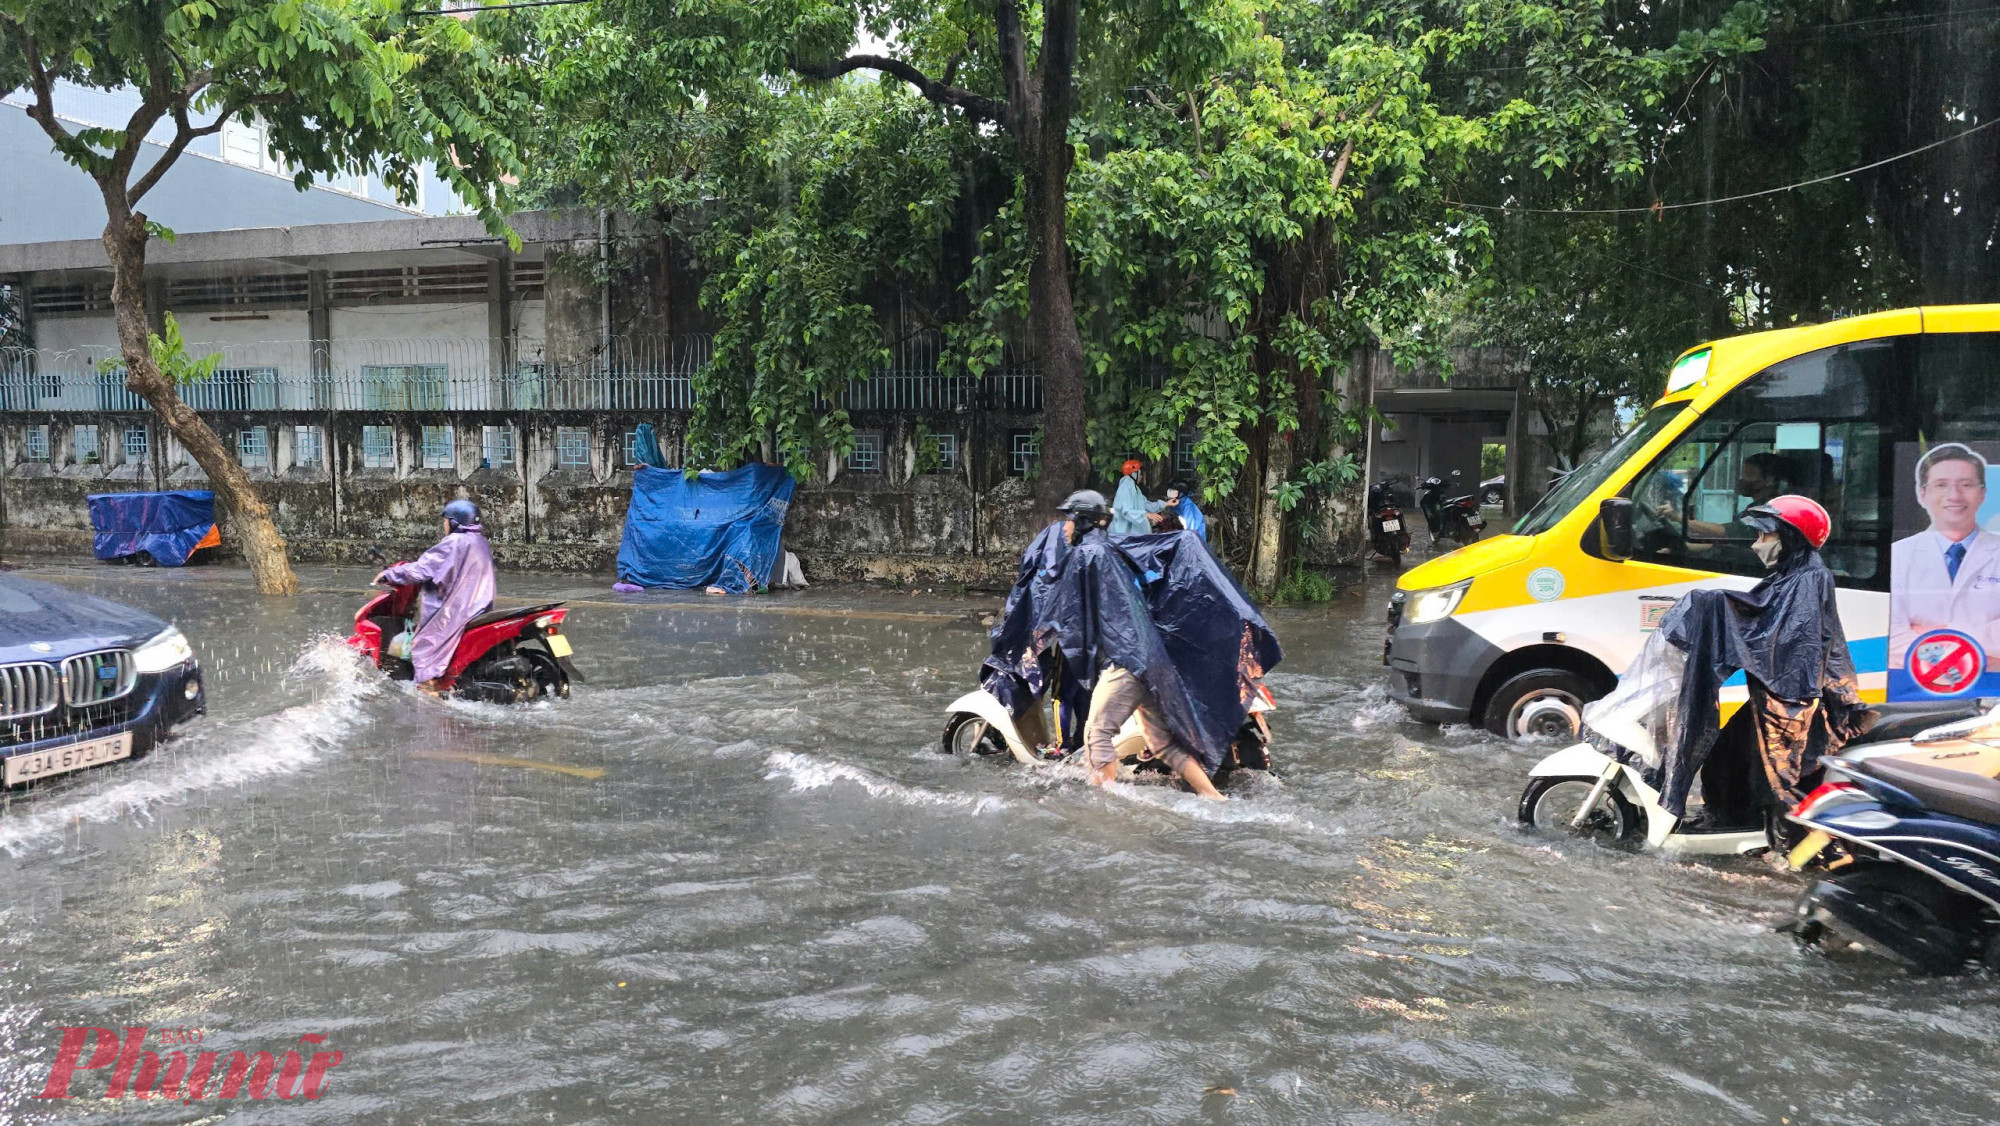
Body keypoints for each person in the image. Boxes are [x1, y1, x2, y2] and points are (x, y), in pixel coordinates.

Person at [1651, 495, 1867, 831]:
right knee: (1724, 753)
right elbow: (1762, 613)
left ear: (1790, 538)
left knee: (1769, 774)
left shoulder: (1810, 578)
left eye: (1765, 536)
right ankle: (1728, 822)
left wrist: (1718, 607)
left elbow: (1783, 638)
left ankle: (1775, 841)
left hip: (1794, 703)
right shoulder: (1791, 574)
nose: (1758, 544)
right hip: (1776, 694)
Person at [1889, 442, 2000, 670]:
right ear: (1922, 494)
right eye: (1941, 485)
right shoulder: (1899, 555)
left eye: (1966, 485)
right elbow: (1891, 635)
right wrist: (1976, 651)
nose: (1954, 496)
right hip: (1911, 688)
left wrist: (1945, 631)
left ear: (1982, 494)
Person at [374, 499, 497, 695]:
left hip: (456, 610)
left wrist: (390, 574)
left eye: (446, 520)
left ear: (455, 522)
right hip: (478, 607)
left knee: (425, 647)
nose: (444, 525)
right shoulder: (479, 541)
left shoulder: (454, 542)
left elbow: (423, 568)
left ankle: (429, 690)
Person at [1109, 459, 1166, 535]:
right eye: (1140, 473)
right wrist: (1147, 515)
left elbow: (1146, 504)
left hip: (1132, 535)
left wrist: (1166, 504)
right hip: (1122, 535)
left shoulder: (1135, 488)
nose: (1141, 476)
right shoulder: (1126, 486)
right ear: (1134, 474)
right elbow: (1127, 511)